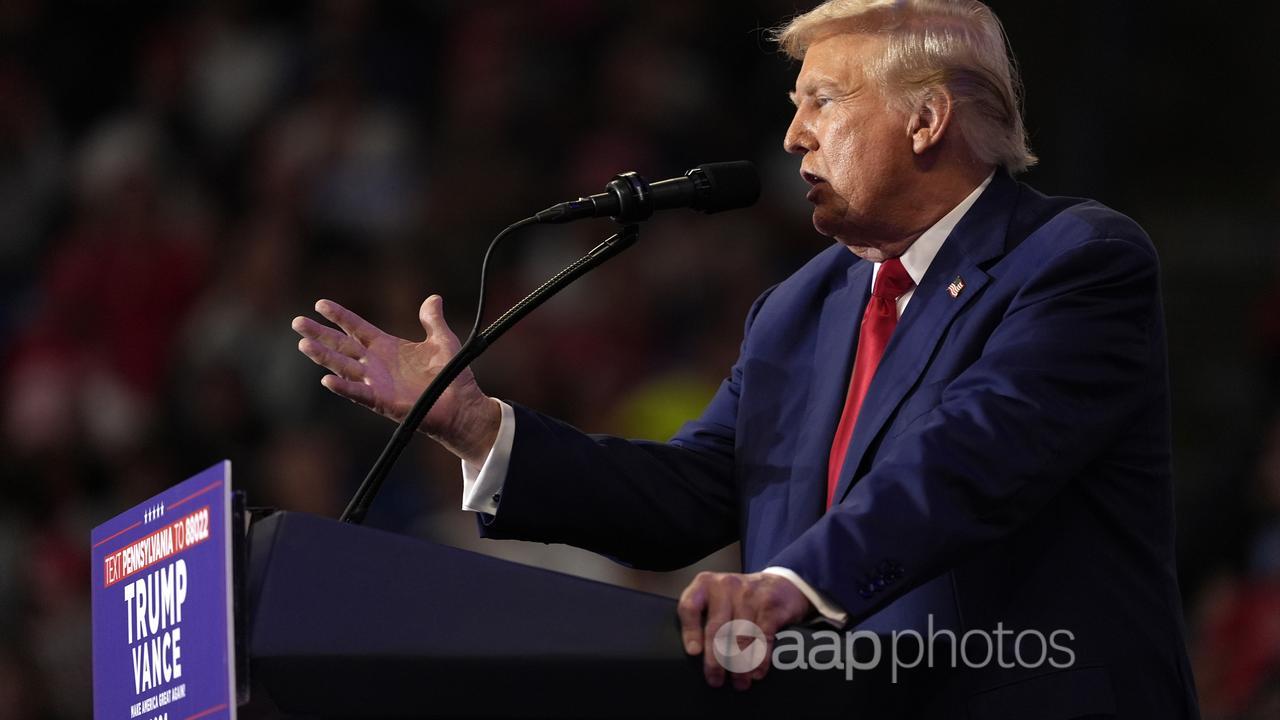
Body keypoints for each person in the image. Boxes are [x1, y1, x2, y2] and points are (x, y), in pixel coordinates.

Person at [293, 1, 1199, 716]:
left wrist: (791, 585)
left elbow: (969, 456)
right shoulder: (800, 309)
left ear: (926, 119)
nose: (793, 136)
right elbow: (694, 494)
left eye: (823, 102)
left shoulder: (1076, 259)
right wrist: (479, 427)